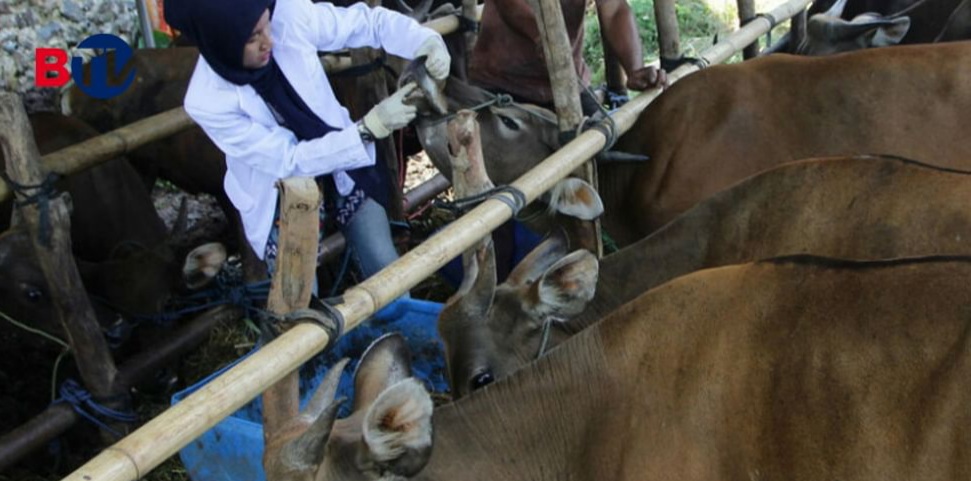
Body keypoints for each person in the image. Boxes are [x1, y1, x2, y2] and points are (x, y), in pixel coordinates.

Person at [163, 0, 451, 287]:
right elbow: (289, 160)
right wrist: (367, 129)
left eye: (267, 25)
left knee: (384, 265)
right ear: (222, 44)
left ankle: (398, 316)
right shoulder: (208, 102)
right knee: (302, 303)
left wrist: (423, 39)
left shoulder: (288, 14)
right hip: (281, 193)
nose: (269, 41)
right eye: (253, 38)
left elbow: (365, 23)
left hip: (342, 164)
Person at [469, 0, 667, 116]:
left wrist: (634, 68)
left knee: (610, 152)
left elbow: (614, 9)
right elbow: (509, 4)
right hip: (499, 83)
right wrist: (543, 36)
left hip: (570, 84)